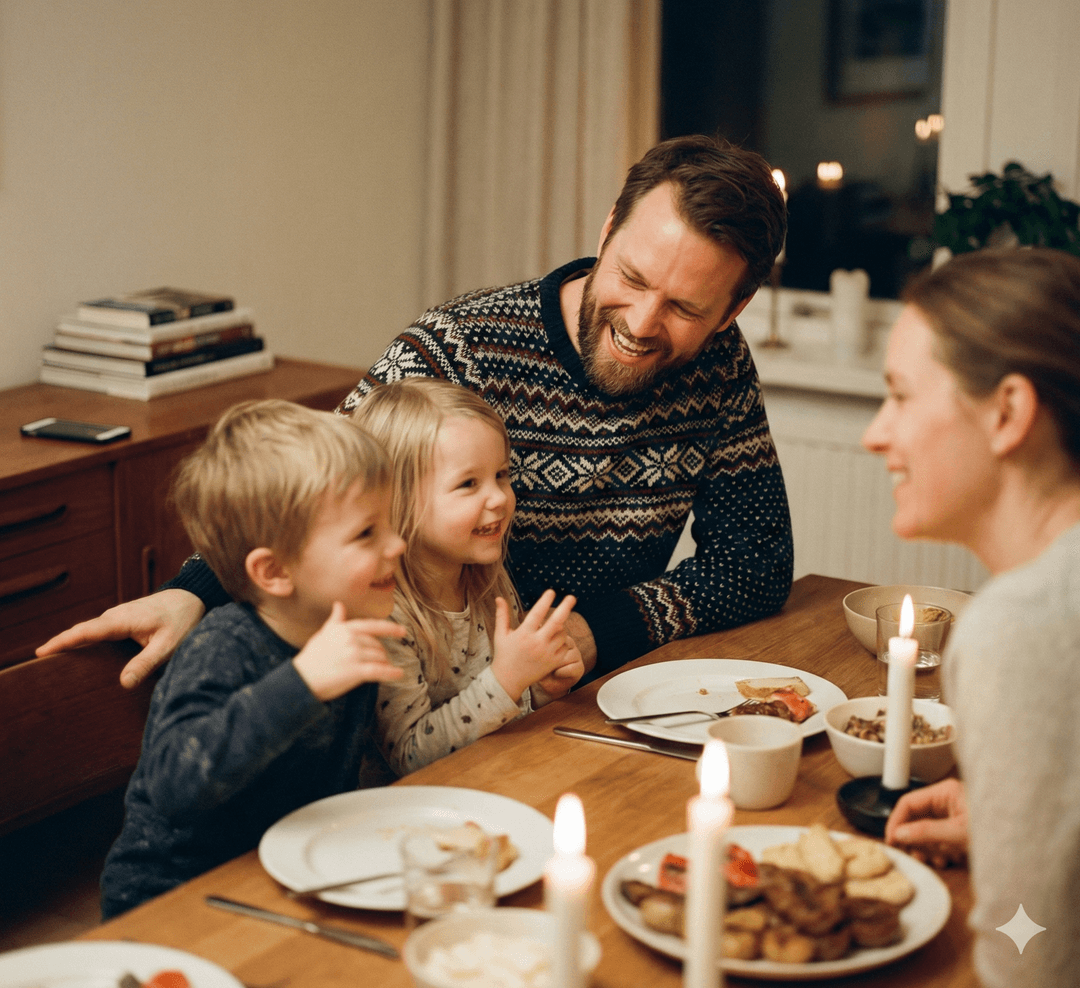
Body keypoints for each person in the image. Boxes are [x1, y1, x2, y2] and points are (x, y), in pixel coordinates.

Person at [38, 134, 794, 684]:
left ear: (732, 311)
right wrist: (192, 592)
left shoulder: (720, 367)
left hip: (590, 692)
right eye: (631, 276)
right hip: (434, 698)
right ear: (606, 232)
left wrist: (600, 631)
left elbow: (756, 564)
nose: (642, 322)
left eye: (685, 308)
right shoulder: (460, 345)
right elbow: (304, 492)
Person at [861, 247, 1080, 987]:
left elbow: (1032, 962)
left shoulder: (1023, 628)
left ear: (1007, 413)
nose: (874, 434)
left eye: (901, 396)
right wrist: (1008, 817)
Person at [99, 400, 408, 918]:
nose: (398, 544)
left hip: (283, 876)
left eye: (391, 523)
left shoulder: (345, 636)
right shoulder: (225, 646)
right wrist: (302, 683)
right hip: (172, 900)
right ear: (274, 572)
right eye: (365, 533)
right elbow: (173, 785)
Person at [351, 378, 582, 775]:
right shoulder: (383, 615)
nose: (499, 497)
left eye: (502, 474)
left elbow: (501, 713)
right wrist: (508, 679)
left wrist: (541, 688)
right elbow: (409, 758)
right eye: (468, 483)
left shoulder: (485, 579)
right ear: (397, 501)